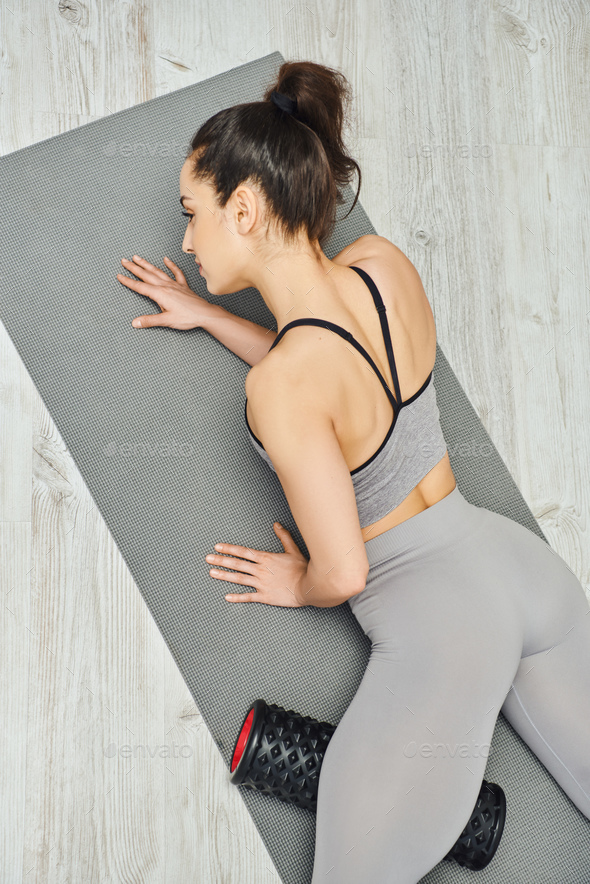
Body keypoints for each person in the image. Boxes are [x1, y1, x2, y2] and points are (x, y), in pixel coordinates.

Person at [116, 60, 590, 883]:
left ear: (246, 208)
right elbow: (346, 384)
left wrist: (296, 580)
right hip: (519, 569)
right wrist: (214, 318)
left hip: (445, 637)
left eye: (192, 216)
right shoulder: (381, 264)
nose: (186, 242)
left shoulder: (281, 389)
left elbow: (344, 569)